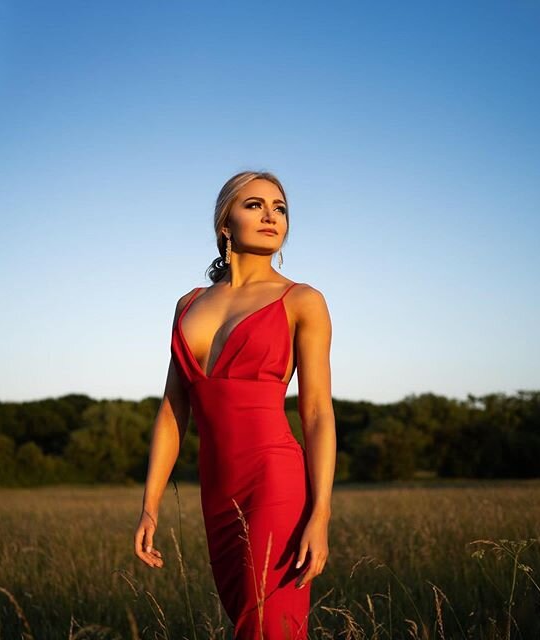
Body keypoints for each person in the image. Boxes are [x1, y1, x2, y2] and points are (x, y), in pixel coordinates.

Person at [134, 170, 336, 639]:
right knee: (244, 621)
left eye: (280, 208)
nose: (271, 215)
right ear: (225, 224)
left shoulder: (303, 300)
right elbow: (172, 411)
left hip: (275, 480)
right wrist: (150, 506)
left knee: (271, 625)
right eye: (255, 205)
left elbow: (318, 414)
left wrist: (320, 513)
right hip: (217, 490)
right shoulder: (188, 304)